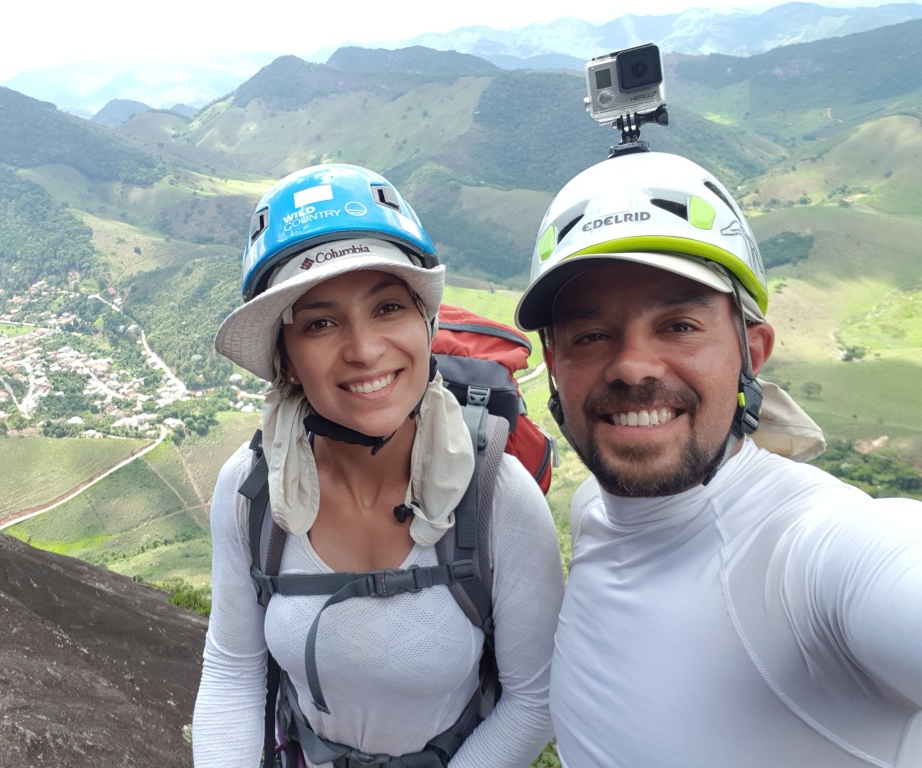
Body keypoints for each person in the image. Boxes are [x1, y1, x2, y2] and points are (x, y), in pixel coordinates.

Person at [514, 150, 922, 767]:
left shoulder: (817, 554)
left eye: (679, 325)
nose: (632, 366)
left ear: (751, 351)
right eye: (590, 335)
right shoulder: (596, 505)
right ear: (553, 364)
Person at [193, 163, 564, 768]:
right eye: (320, 323)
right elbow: (233, 671)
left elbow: (533, 698)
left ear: (426, 323)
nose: (364, 350)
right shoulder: (253, 490)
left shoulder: (496, 493)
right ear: (285, 359)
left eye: (388, 307)